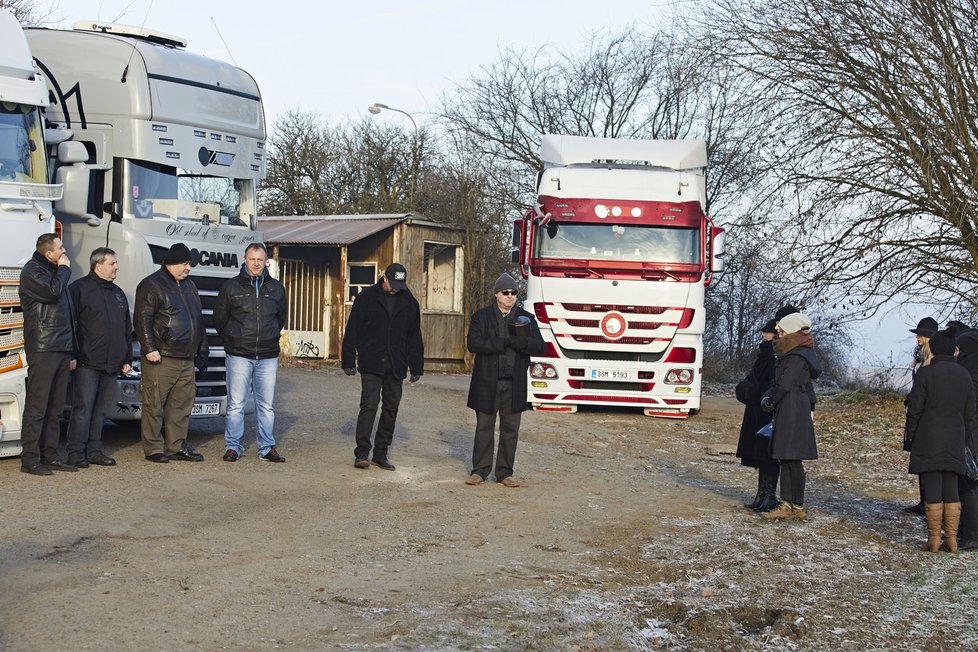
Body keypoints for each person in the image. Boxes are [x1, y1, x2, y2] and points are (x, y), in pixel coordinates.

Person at [464, 273, 546, 487]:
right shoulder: (481, 317)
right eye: (506, 292)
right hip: (487, 381)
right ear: (496, 295)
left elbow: (540, 346)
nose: (510, 296)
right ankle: (479, 471)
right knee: (484, 427)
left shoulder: (525, 318)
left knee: (511, 430)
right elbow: (474, 343)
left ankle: (504, 473)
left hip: (514, 382)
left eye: (514, 293)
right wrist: (503, 343)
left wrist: (523, 344)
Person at [341, 262, 424, 471]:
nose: (396, 288)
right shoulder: (366, 298)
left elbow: (414, 336)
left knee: (391, 409)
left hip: (396, 363)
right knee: (369, 406)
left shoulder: (409, 303)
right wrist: (348, 360)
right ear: (384, 278)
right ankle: (362, 452)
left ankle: (380, 453)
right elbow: (353, 330)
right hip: (372, 361)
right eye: (393, 283)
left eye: (400, 284)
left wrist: (416, 366)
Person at [134, 242, 209, 463]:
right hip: (162, 356)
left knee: (182, 405)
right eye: (185, 264)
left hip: (186, 357)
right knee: (154, 404)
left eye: (189, 264)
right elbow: (142, 319)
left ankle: (176, 446)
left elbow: (198, 319)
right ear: (172, 263)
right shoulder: (151, 285)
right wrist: (149, 349)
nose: (188, 268)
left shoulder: (189, 286)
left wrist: (202, 349)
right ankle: (153, 448)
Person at [213, 243, 288, 463]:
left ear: (266, 262)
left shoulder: (276, 288)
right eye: (252, 259)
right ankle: (232, 447)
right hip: (239, 354)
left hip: (267, 355)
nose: (256, 263)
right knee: (236, 403)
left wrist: (270, 336)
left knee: (266, 404)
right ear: (244, 260)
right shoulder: (231, 287)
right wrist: (233, 340)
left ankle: (266, 447)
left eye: (260, 259)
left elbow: (281, 318)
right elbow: (220, 319)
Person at [905, 331, 976, 552]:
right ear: (953, 349)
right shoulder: (964, 375)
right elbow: (970, 413)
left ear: (933, 349)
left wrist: (912, 435)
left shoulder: (926, 374)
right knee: (952, 487)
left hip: (928, 437)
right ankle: (952, 539)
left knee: (933, 485)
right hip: (955, 437)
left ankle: (934, 539)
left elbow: (914, 410)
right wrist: (962, 437)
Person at [65, 247, 132, 468]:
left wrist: (127, 359)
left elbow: (126, 328)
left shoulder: (118, 293)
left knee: (101, 410)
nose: (117, 267)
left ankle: (94, 450)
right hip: (86, 361)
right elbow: (69, 325)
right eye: (112, 263)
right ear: (98, 265)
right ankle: (76, 452)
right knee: (82, 409)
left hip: (112, 362)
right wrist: (72, 354)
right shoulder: (79, 289)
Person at [18, 234, 76, 475]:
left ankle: (50, 455)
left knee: (56, 406)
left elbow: (68, 314)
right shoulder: (33, 272)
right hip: (43, 347)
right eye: (60, 248)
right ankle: (30, 459)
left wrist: (72, 350)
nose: (64, 252)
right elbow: (52, 293)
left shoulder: (54, 272)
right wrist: (64, 270)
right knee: (37, 405)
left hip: (61, 347)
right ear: (48, 253)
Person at [760, 311, 822, 520]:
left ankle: (793, 505)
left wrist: (770, 400)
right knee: (788, 457)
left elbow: (785, 383)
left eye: (782, 328)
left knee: (791, 458)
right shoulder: (796, 352)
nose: (778, 330)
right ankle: (791, 504)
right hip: (791, 407)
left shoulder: (797, 355)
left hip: (792, 408)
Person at [735, 319, 778, 511]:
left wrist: (754, 393)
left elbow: (769, 382)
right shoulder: (767, 352)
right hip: (757, 409)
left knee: (768, 455)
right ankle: (762, 494)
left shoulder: (774, 354)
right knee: (761, 455)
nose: (764, 334)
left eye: (767, 332)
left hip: (766, 409)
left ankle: (768, 496)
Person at [904, 316, 939, 515]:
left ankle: (928, 501)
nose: (917, 338)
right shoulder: (919, 356)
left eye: (921, 335)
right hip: (916, 409)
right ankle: (923, 499)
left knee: (926, 458)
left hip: (926, 414)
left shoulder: (931, 359)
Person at [954, 329, 978, 550]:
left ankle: (972, 533)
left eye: (959, 349)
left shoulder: (968, 373)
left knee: (969, 484)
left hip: (971, 435)